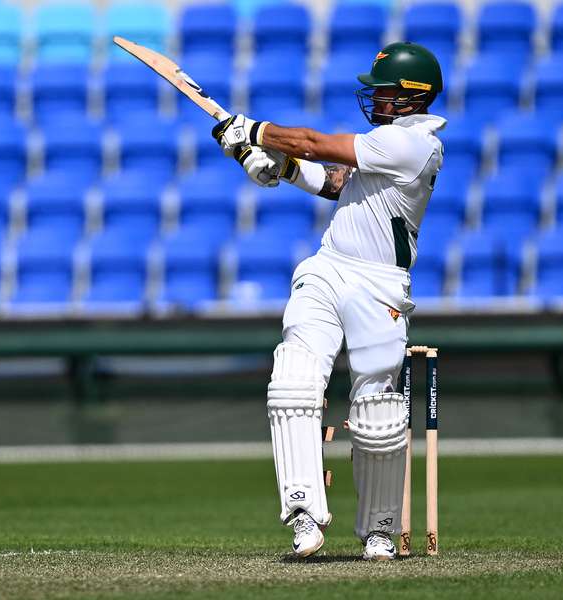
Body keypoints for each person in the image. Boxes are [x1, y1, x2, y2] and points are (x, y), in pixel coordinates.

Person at [212, 42, 446, 560]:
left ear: (411, 97)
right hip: (327, 268)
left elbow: (316, 144)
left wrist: (253, 132)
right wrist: (282, 169)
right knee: (293, 379)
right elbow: (339, 182)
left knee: (377, 411)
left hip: (380, 285)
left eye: (383, 91)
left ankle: (380, 531)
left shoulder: (415, 146)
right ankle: (302, 515)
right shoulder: (387, 145)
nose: (374, 99)